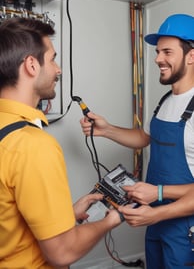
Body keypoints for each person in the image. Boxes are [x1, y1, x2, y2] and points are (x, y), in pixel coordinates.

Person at [0, 17, 123, 269]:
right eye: (53, 58)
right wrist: (113, 219)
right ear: (32, 65)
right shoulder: (33, 145)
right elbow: (62, 252)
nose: (58, 69)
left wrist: (65, 214)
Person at [80, 13, 194, 268]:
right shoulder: (165, 100)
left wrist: (159, 195)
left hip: (185, 228)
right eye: (157, 51)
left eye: (167, 52)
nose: (157, 59)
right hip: (153, 220)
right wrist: (107, 130)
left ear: (191, 55)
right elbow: (145, 138)